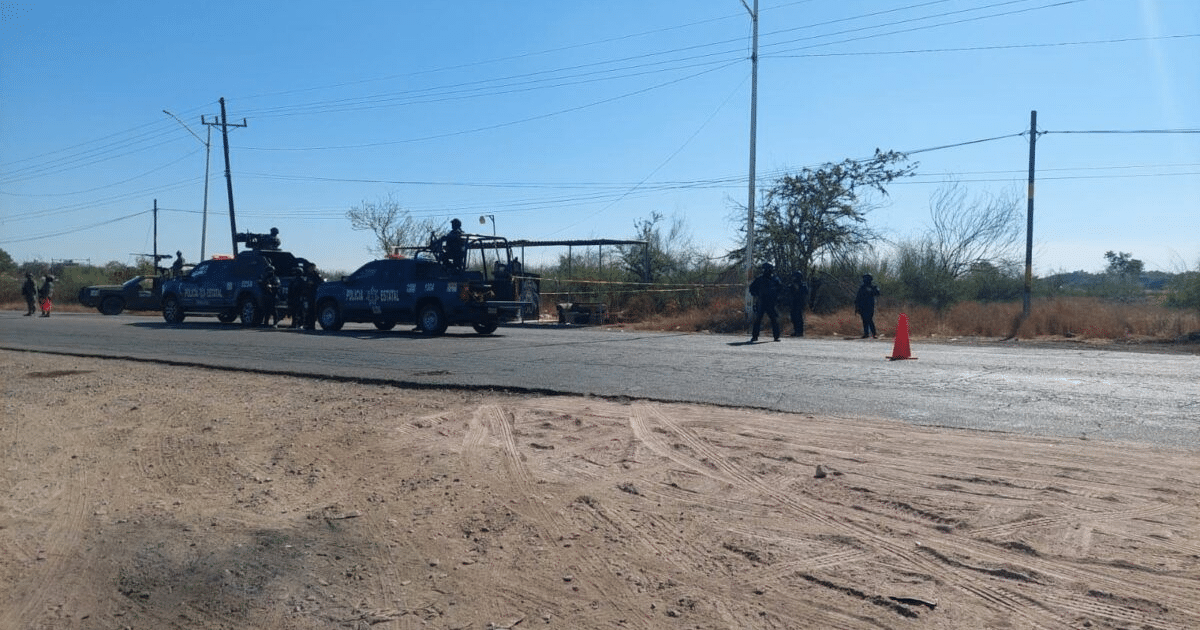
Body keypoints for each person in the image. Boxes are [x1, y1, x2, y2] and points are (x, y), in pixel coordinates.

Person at [748, 262, 783, 342]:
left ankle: (776, 336)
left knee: (774, 319)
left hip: (771, 302)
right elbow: (752, 288)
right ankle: (755, 336)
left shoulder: (775, 279)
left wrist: (777, 297)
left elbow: (780, 288)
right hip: (761, 302)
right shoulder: (759, 279)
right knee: (758, 319)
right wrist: (756, 294)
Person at [854, 273, 881, 338]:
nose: (865, 279)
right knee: (864, 320)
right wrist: (857, 307)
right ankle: (866, 333)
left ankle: (874, 333)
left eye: (867, 278)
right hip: (862, 306)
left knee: (869, 319)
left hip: (870, 306)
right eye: (865, 278)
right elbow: (858, 298)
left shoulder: (872, 287)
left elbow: (877, 293)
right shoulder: (862, 288)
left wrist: (874, 289)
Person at [301, 261, 323, 330]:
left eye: (312, 268)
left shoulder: (316, 275)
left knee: (312, 311)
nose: (311, 269)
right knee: (306, 311)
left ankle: (311, 325)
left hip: (314, 295)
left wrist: (313, 283)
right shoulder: (307, 275)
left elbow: (321, 283)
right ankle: (306, 324)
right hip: (307, 295)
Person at [788, 271, 810, 337]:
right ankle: (796, 331)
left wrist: (798, 289)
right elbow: (788, 293)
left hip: (799, 304)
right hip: (793, 304)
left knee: (799, 318)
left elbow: (805, 293)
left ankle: (800, 332)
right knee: (793, 318)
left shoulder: (803, 285)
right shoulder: (792, 285)